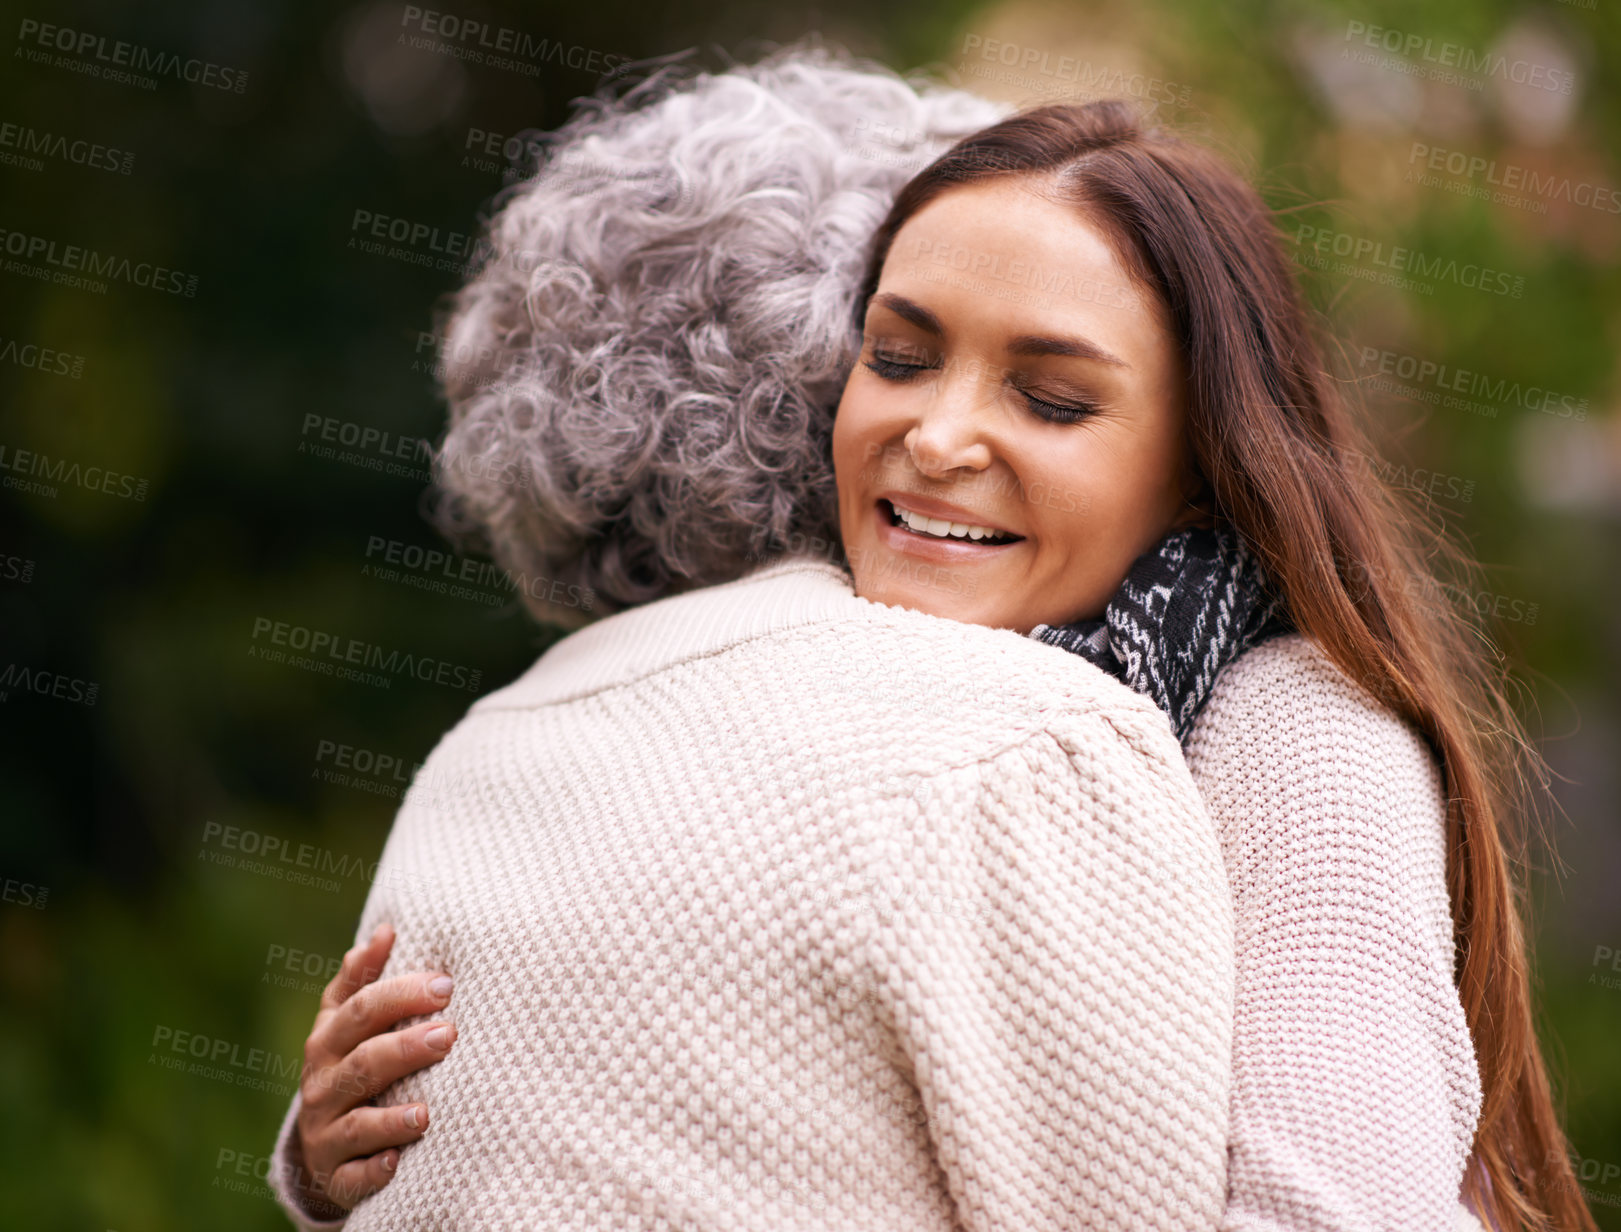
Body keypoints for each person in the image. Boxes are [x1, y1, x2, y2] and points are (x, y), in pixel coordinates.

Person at [272, 40, 1599, 1232]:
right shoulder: (808, 682)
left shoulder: (1291, 734)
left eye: (1052, 398)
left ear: (1198, 461)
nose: (940, 437)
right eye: (899, 360)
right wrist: (338, 1162)